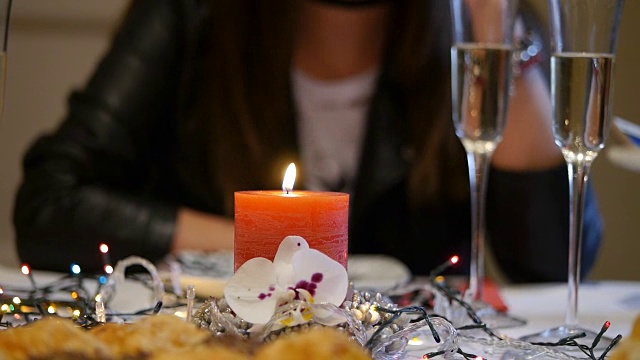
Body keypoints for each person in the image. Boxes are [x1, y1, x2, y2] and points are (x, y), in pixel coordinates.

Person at [13, 0, 602, 282]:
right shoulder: (191, 16)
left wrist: (498, 36)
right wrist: (285, 243)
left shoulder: (462, 37)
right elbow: (49, 203)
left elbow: (553, 266)